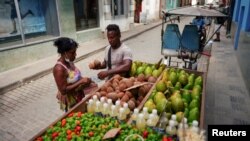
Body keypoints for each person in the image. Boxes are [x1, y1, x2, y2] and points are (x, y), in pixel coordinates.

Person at [53, 37, 97, 112]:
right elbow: (63, 90)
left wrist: (86, 81)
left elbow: (74, 76)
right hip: (70, 101)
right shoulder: (59, 69)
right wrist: (81, 82)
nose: (75, 54)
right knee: (74, 118)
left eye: (75, 52)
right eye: (72, 52)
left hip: (77, 96)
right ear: (64, 53)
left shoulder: (69, 62)